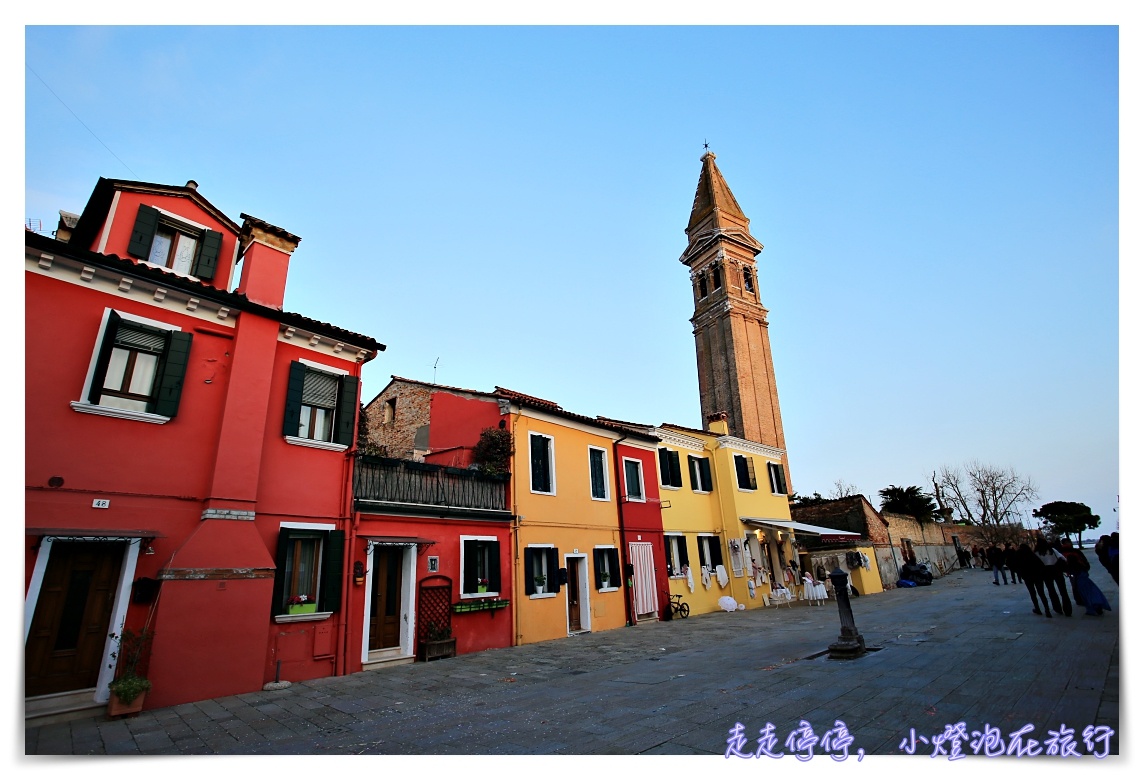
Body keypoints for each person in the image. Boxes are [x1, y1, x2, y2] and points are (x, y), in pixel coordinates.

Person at [1060, 539, 1112, 617]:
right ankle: (1095, 605)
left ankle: (1090, 606)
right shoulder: (1074, 552)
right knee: (1088, 589)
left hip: (1074, 573)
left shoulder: (1062, 553)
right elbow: (1084, 561)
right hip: (1081, 572)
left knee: (1082, 590)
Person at [1012, 543, 1052, 618]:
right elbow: (1041, 565)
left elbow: (1013, 565)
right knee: (1041, 593)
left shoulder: (1018, 555)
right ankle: (1047, 610)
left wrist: (1020, 573)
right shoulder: (1032, 555)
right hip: (1037, 576)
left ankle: (1037, 608)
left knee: (1032, 593)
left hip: (1027, 577)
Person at [1034, 539, 1071, 616]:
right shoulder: (1053, 550)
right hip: (1057, 570)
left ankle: (1057, 608)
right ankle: (1068, 609)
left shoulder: (1037, 553)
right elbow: (1063, 558)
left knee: (1051, 591)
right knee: (1063, 591)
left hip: (1046, 572)